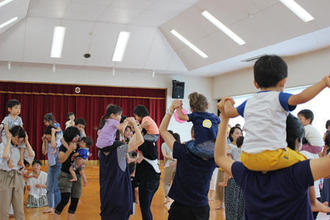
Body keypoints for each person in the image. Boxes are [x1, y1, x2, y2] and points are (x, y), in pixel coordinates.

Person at [215, 100, 330, 219]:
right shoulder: (300, 169)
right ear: (297, 141)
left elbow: (220, 157)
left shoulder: (247, 171)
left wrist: (224, 119)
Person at [223, 55, 330, 171]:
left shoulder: (249, 102)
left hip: (247, 158)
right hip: (273, 157)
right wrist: (323, 83)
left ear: (255, 84)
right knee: (303, 160)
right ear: (283, 82)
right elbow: (302, 97)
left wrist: (227, 101)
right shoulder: (279, 97)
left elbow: (229, 112)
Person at [159, 100, 217, 220]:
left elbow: (163, 130)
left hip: (180, 208)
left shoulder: (184, 150)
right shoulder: (214, 157)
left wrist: (171, 110)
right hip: (201, 208)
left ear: (192, 135)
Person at [99, 117, 144, 220]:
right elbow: (140, 140)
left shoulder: (101, 149)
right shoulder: (120, 148)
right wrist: (133, 123)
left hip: (106, 196)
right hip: (120, 196)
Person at [0, 126, 35, 219]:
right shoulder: (3, 145)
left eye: (20, 139)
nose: (18, 141)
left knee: (19, 208)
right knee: (3, 208)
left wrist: (26, 141)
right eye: (16, 138)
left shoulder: (21, 147)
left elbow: (32, 155)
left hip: (18, 176)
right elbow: (4, 156)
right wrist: (8, 140)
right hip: (5, 176)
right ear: (11, 135)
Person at [176, 92, 220, 159]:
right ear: (207, 105)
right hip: (215, 150)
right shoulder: (214, 116)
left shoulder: (195, 115)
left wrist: (179, 107)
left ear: (191, 109)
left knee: (187, 143)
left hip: (200, 149)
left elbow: (181, 116)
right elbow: (221, 125)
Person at [53, 126, 81, 219]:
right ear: (70, 136)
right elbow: (61, 160)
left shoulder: (78, 145)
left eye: (78, 135)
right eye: (75, 136)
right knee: (65, 199)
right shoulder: (63, 147)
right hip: (65, 176)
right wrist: (69, 150)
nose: (77, 137)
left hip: (77, 175)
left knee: (75, 200)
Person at [223, 128, 245, 220]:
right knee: (232, 209)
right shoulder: (229, 147)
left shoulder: (245, 147)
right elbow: (229, 165)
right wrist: (225, 181)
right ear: (231, 135)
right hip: (233, 180)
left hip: (244, 181)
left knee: (242, 210)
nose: (239, 135)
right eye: (237, 133)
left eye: (240, 133)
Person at [42, 125, 62, 214]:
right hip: (51, 166)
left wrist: (53, 133)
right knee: (49, 187)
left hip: (58, 165)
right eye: (46, 134)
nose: (47, 136)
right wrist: (44, 141)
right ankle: (50, 207)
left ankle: (58, 208)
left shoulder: (58, 139)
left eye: (48, 135)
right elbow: (44, 151)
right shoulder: (47, 140)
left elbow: (54, 145)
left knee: (56, 187)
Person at [1, 99, 26, 168]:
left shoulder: (19, 119)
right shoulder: (7, 118)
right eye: (16, 108)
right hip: (7, 135)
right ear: (9, 109)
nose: (18, 110)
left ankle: (21, 160)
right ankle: (10, 161)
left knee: (23, 144)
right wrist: (10, 137)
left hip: (16, 135)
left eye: (19, 108)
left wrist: (23, 135)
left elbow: (21, 128)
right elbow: (6, 128)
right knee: (8, 145)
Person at [161, 131, 178, 206]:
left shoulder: (164, 144)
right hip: (177, 165)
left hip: (169, 165)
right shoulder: (176, 144)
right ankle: (174, 198)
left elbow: (165, 155)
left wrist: (170, 159)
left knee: (166, 182)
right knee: (175, 182)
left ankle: (168, 198)